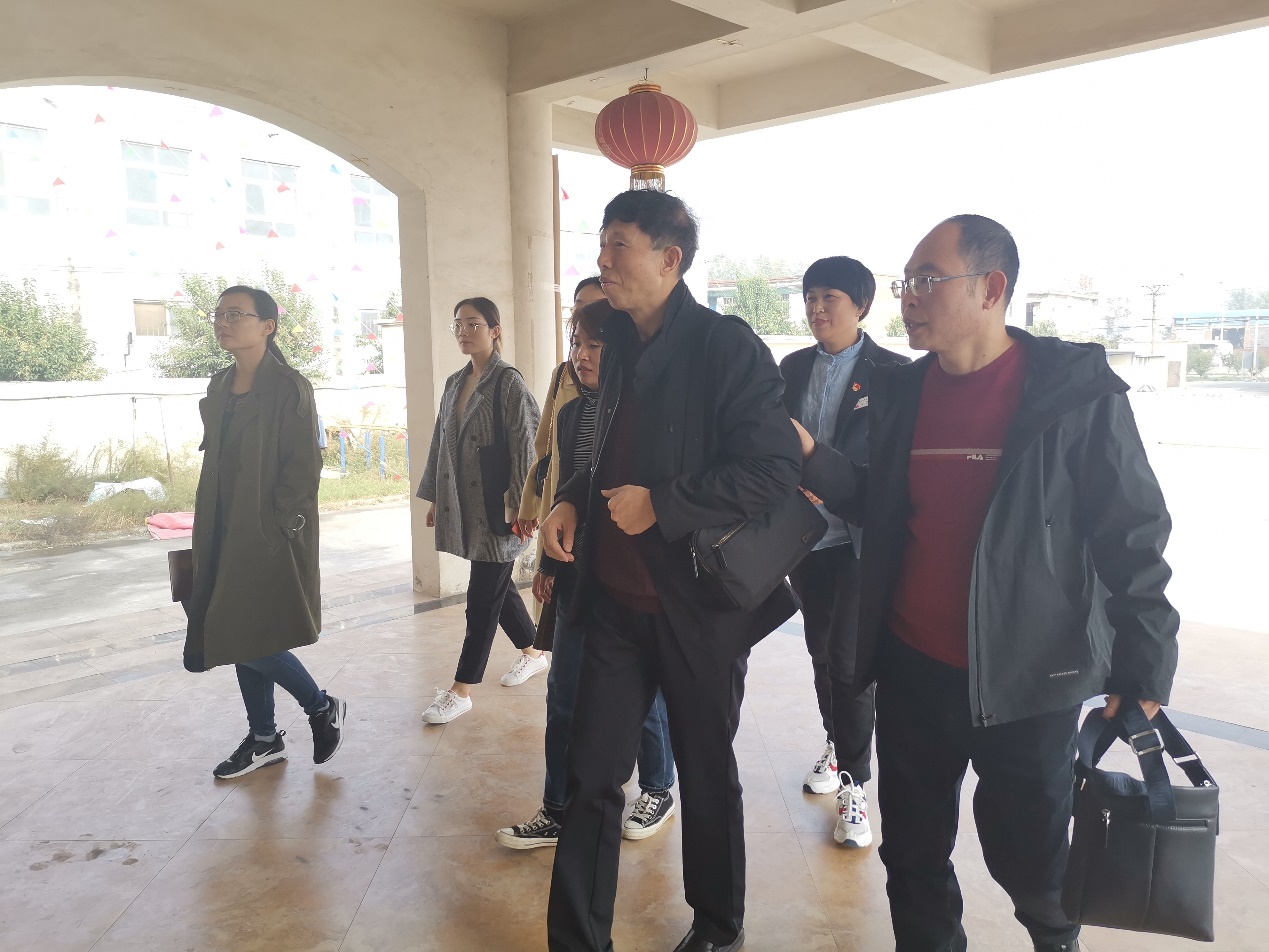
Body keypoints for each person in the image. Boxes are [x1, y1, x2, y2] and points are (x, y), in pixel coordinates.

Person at [795, 215, 1180, 952]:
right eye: (905, 282)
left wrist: (1146, 659)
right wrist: (811, 454)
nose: (908, 297)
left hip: (1029, 678)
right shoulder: (903, 391)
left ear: (990, 288)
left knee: (1029, 860)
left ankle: (1055, 940)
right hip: (913, 668)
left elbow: (1131, 530)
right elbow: (878, 502)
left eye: (926, 279)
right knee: (912, 856)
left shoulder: (1072, 391)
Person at [541, 190, 802, 952]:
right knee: (591, 776)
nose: (603, 259)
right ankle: (577, 939)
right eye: (601, 243)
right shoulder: (615, 341)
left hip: (698, 607)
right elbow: (604, 448)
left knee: (705, 769)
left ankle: (718, 927)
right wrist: (570, 496)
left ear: (669, 258)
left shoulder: (725, 347)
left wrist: (664, 503)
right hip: (614, 604)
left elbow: (773, 469)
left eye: (618, 244)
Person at [498, 296, 678, 850]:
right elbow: (562, 496)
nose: (581, 355)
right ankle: (557, 807)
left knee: (641, 696)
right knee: (563, 693)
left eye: (594, 345)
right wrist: (549, 564)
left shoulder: (648, 414)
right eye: (576, 343)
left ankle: (657, 787)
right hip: (578, 575)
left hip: (633, 579)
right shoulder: (572, 415)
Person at [183, 285, 345, 780]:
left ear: (268, 326)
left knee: (242, 630)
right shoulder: (219, 384)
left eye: (236, 314)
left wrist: (281, 525)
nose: (223, 322)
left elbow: (303, 466)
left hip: (269, 530)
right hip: (220, 525)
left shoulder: (289, 387)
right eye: (219, 314)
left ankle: (319, 707)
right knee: (239, 625)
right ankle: (265, 737)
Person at [779, 256, 909, 847]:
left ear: (861, 305)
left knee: (851, 663)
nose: (816, 308)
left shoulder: (893, 374)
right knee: (820, 653)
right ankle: (837, 744)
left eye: (829, 297)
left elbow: (893, 465)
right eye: (810, 297)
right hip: (805, 538)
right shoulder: (792, 367)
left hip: (860, 540)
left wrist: (830, 477)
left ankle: (856, 784)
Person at [417, 297, 543, 724]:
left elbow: (528, 446)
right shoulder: (455, 381)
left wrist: (526, 507)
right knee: (496, 585)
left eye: (473, 324)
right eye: (458, 324)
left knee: (481, 599)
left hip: (500, 508)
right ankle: (535, 651)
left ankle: (462, 690)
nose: (464, 331)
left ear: (495, 330)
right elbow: (441, 441)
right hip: (467, 504)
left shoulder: (508, 382)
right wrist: (438, 496)